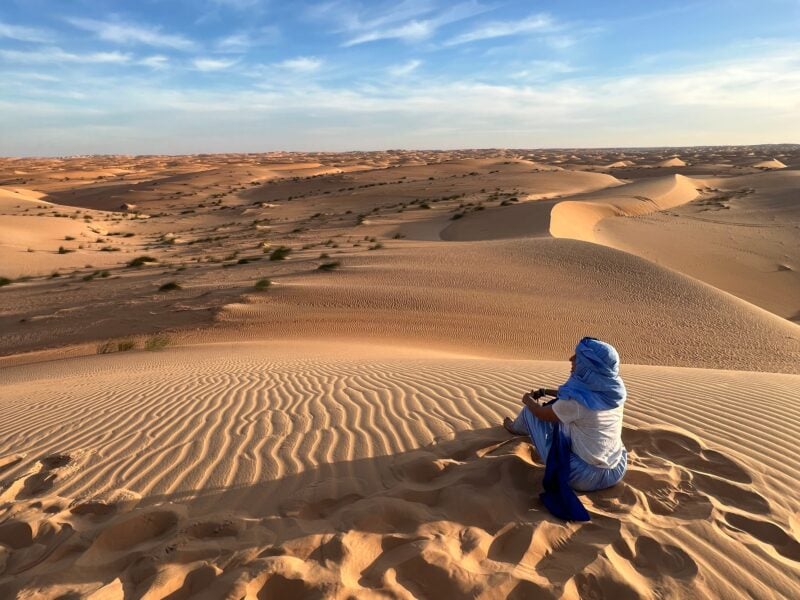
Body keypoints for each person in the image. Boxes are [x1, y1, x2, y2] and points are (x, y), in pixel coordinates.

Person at [503, 337, 627, 492]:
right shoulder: (614, 392)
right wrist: (547, 391)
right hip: (617, 470)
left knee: (530, 412)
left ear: (588, 365)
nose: (571, 359)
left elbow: (541, 414)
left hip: (583, 478)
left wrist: (527, 400)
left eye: (578, 357)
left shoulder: (575, 404)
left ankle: (516, 427)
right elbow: (578, 398)